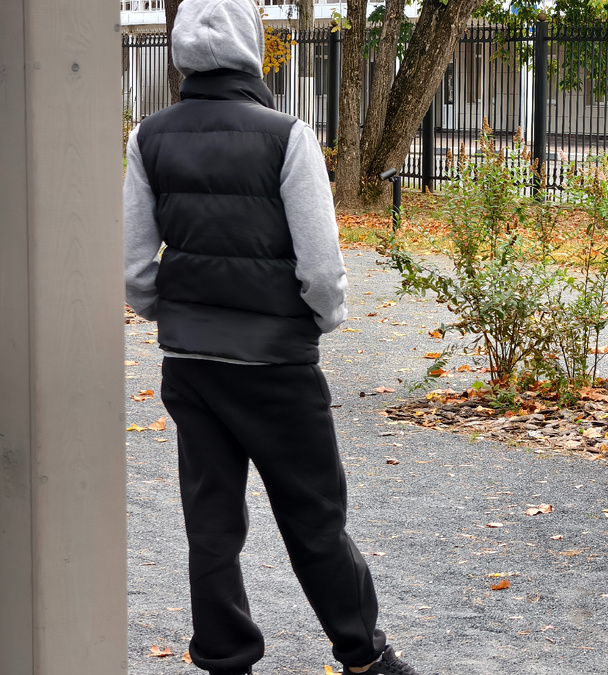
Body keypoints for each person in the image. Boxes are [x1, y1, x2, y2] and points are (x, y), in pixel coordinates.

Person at [123, 1, 424, 673]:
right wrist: (321, 320)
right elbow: (320, 268)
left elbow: (136, 271)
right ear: (252, 47)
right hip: (276, 365)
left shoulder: (148, 138)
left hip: (193, 366)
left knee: (211, 523)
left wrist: (175, 317)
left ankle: (226, 656)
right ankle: (363, 654)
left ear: (180, 51)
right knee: (314, 516)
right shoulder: (287, 136)